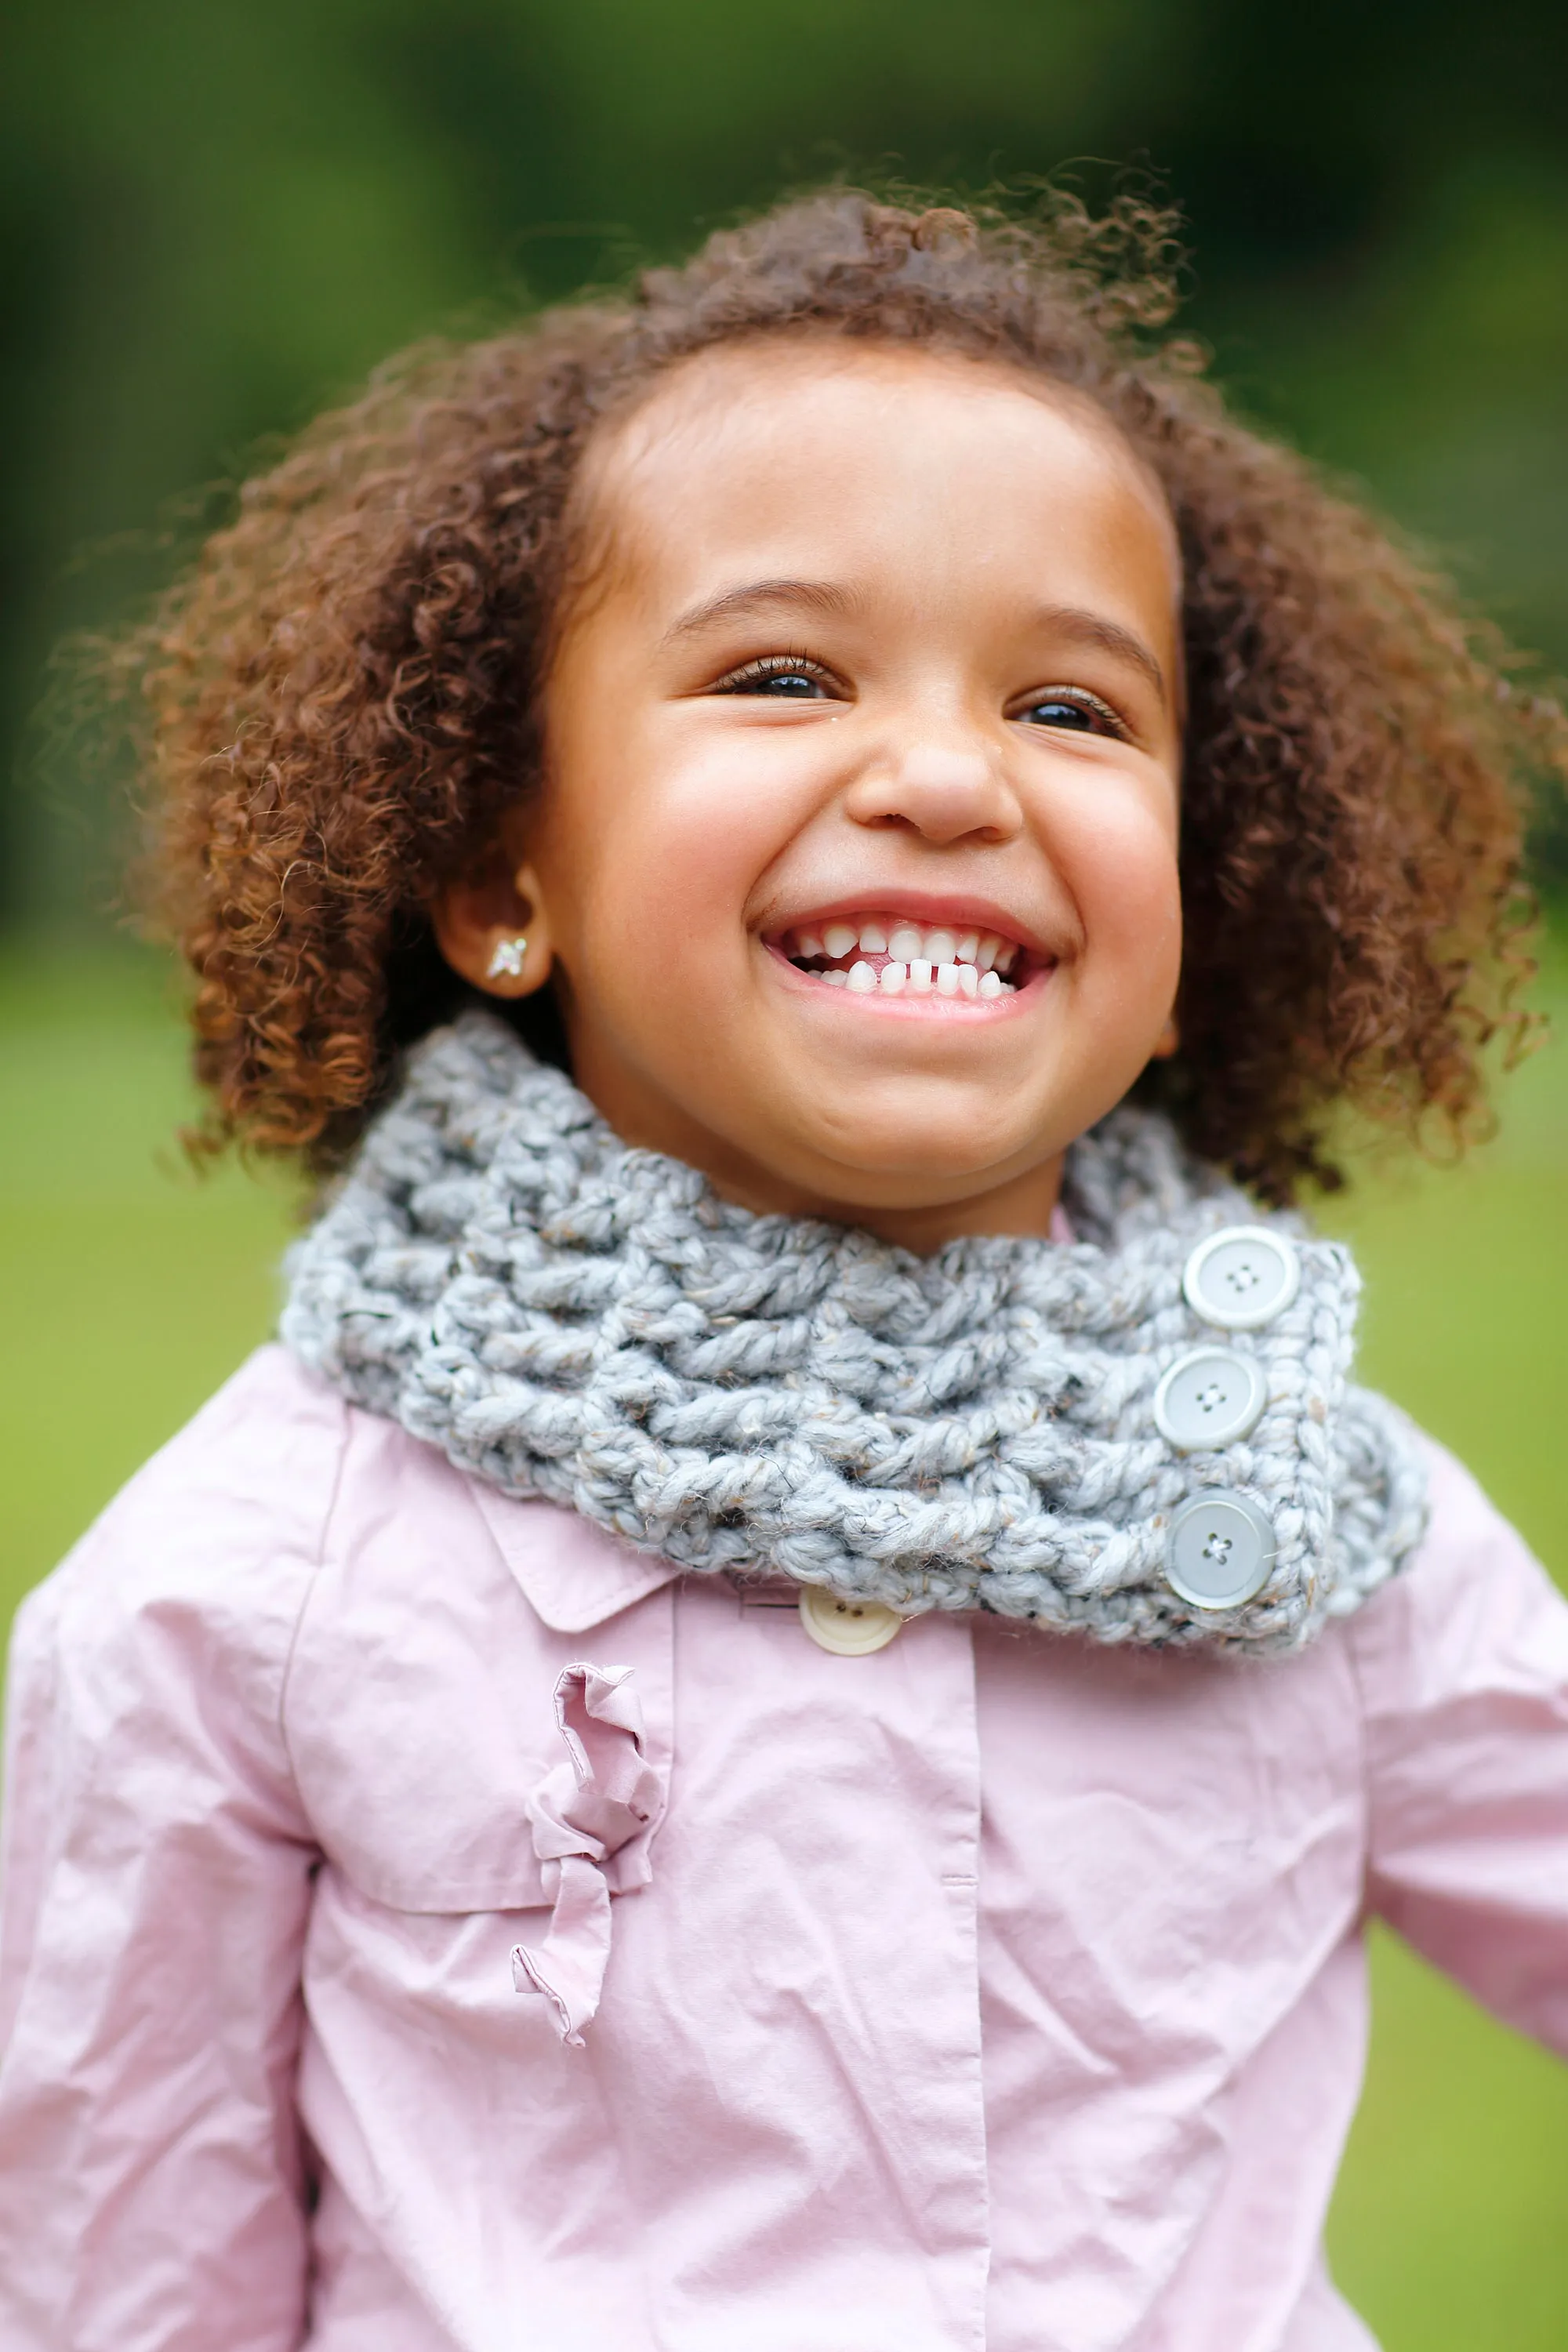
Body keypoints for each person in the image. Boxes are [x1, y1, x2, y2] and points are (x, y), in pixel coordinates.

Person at [1, 188, 1564, 2352]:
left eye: (1076, 711)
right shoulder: (251, 1590)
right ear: (496, 874)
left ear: (1198, 923)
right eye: (782, 674)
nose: (944, 774)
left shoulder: (1323, 1544)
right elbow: (111, 2276)